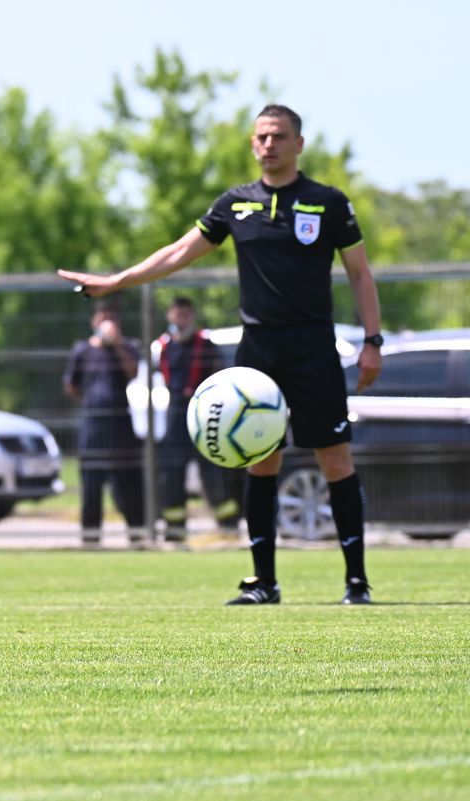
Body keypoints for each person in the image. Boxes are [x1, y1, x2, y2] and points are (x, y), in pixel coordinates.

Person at [58, 104, 382, 605]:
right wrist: (117, 280)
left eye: (278, 136)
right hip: (259, 352)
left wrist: (372, 341)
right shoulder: (236, 204)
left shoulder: (327, 203)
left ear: (299, 143)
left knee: (336, 460)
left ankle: (356, 582)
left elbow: (360, 274)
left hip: (313, 349)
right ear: (253, 145)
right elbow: (175, 253)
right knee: (259, 462)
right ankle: (263, 583)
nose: (268, 144)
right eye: (261, 137)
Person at [154, 297, 241, 540]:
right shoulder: (163, 345)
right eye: (177, 314)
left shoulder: (205, 343)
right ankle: (174, 527)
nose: (181, 319)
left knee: (212, 469)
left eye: (186, 314)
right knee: (172, 471)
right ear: (170, 316)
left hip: (202, 412)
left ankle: (228, 523)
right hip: (176, 413)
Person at [63, 302, 145, 543]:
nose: (106, 324)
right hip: (93, 425)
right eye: (102, 319)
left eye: (112, 319)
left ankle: (137, 535)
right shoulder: (82, 350)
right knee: (91, 483)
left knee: (128, 483)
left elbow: (133, 372)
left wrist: (117, 343)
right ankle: (90, 538)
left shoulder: (127, 347)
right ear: (94, 322)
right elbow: (71, 384)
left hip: (121, 425)